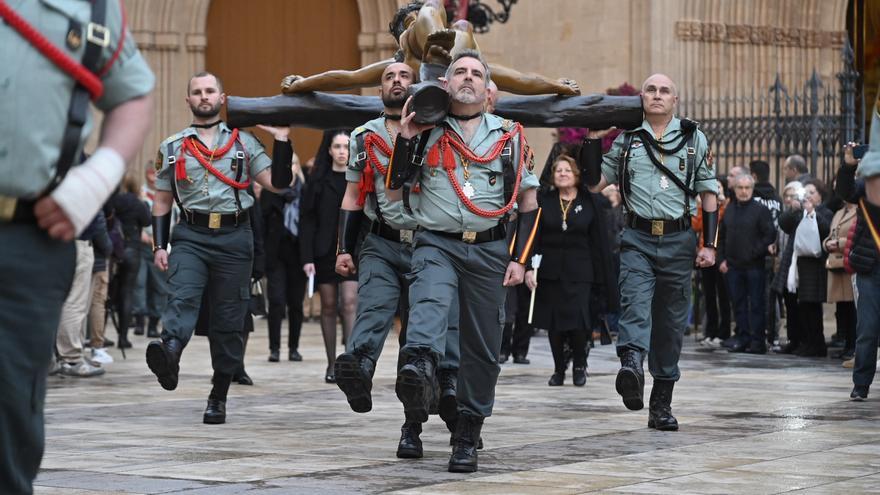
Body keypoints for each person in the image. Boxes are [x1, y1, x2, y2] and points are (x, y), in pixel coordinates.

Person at [0, 1, 154, 491]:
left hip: (27, 236)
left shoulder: (88, 8)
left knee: (9, 412)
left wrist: (98, 177)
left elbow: (132, 94)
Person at [387, 50, 540, 472]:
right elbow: (396, 191)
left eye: (476, 73)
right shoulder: (426, 129)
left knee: (483, 344)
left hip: (490, 249)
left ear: (488, 89)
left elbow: (529, 203)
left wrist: (521, 260)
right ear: (445, 84)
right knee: (429, 305)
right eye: (459, 72)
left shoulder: (511, 136)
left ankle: (467, 433)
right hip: (437, 242)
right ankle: (418, 372)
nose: (467, 78)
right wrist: (406, 137)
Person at [332, 62, 462, 458]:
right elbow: (354, 198)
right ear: (379, 91)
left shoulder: (444, 132)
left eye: (404, 76)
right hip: (383, 241)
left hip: (433, 242)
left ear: (416, 85)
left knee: (421, 342)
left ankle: (413, 429)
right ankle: (358, 370)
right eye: (389, 77)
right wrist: (343, 249)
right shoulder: (363, 137)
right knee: (372, 308)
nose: (396, 82)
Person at [146, 71, 291, 424]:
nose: (204, 96)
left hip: (233, 238)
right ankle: (170, 353)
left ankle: (219, 393)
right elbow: (162, 202)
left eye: (210, 91)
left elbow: (277, 183)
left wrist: (284, 142)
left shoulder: (243, 142)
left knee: (229, 318)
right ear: (188, 100)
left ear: (222, 99)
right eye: (197, 91)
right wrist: (159, 245)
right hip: (191, 236)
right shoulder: (173, 146)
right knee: (182, 296)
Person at [580, 73, 719, 431]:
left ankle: (661, 405)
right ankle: (631, 367)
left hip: (679, 239)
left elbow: (707, 192)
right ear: (641, 97)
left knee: (671, 323)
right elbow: (596, 183)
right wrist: (593, 140)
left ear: (675, 100)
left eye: (665, 91)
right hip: (638, 237)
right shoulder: (627, 141)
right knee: (634, 303)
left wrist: (711, 245)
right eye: (651, 90)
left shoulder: (693, 139)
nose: (657, 95)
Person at [281, 0, 579, 98]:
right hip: (444, 68)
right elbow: (345, 77)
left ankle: (439, 55)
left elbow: (520, 80)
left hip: (449, 66)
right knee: (445, 19)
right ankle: (438, 53)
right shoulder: (401, 65)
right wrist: (303, 83)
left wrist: (556, 85)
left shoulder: (403, 66)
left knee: (460, 31)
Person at [525, 154, 617, 386]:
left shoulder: (589, 202)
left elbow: (598, 241)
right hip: (550, 271)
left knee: (579, 323)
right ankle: (558, 369)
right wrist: (528, 268)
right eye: (558, 171)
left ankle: (579, 365)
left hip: (581, 272)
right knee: (554, 325)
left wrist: (600, 276)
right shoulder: (544, 200)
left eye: (567, 170)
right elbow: (533, 236)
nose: (563, 174)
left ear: (576, 175)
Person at [298, 129, 357, 383]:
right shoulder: (317, 180)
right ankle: (332, 363)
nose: (342, 151)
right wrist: (307, 257)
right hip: (323, 251)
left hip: (353, 249)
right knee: (329, 306)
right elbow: (307, 221)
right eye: (337, 146)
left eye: (346, 146)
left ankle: (352, 362)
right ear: (329, 150)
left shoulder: (358, 178)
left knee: (350, 303)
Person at [836, 97, 880, 399]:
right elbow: (845, 192)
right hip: (871, 266)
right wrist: (847, 166)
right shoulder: (868, 184)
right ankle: (860, 385)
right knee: (867, 329)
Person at [717, 173, 776, 354]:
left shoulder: (760, 210)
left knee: (757, 305)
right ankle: (742, 338)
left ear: (752, 189)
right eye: (740, 188)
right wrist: (721, 260)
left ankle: (758, 342)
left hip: (754, 266)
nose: (743, 191)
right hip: (733, 266)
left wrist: (753, 253)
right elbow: (722, 236)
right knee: (738, 305)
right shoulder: (730, 210)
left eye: (747, 188)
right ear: (734, 189)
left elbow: (769, 235)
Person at [260, 149, 307, 363]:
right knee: (276, 301)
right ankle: (274, 348)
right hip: (276, 252)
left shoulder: (306, 191)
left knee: (296, 303)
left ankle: (294, 348)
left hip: (299, 253)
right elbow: (262, 223)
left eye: (294, 164)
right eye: (286, 166)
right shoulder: (270, 191)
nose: (290, 169)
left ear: (298, 167)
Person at [778, 179, 832, 357]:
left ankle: (816, 344)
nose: (808, 196)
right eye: (805, 193)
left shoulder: (825, 212)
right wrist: (793, 208)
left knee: (812, 307)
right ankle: (803, 341)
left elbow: (826, 229)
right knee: (798, 306)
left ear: (820, 196)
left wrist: (812, 212)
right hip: (797, 265)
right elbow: (784, 224)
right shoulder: (799, 212)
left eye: (812, 192)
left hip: (814, 266)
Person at [110, 173, 150, 350]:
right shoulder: (138, 203)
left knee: (107, 294)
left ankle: (98, 338)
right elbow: (148, 220)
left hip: (114, 249)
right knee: (127, 293)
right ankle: (123, 338)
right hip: (133, 250)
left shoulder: (115, 201)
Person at [692, 177, 730, 349]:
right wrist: (701, 205)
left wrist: (719, 203)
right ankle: (710, 331)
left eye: (719, 187)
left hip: (719, 255)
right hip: (704, 254)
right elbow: (697, 225)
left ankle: (724, 332)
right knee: (708, 295)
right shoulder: (703, 206)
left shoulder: (727, 206)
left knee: (723, 296)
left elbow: (721, 224)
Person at [823, 199, 857, 360]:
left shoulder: (860, 212)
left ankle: (853, 345)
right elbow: (831, 233)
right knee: (842, 308)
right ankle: (846, 345)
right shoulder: (838, 212)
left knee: (852, 309)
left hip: (850, 263)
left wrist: (839, 243)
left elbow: (857, 236)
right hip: (836, 263)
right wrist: (827, 243)